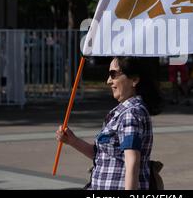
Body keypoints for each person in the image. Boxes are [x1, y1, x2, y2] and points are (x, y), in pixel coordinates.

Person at [56, 57, 160, 190]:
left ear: (134, 80)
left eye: (113, 74)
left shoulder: (131, 114)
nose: (108, 81)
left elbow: (132, 162)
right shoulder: (124, 112)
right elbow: (102, 154)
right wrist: (72, 140)